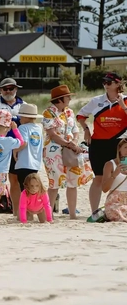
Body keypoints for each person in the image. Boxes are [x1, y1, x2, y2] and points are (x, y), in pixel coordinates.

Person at [78, 72, 127, 216]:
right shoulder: (96, 101)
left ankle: (119, 207)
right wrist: (86, 130)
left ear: (118, 84)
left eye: (109, 82)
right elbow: (81, 115)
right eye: (104, 82)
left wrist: (122, 106)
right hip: (98, 143)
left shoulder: (125, 100)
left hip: (119, 144)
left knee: (122, 174)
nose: (106, 85)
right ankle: (94, 212)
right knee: (98, 177)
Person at [43, 85, 92, 219]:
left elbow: (75, 130)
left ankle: (72, 214)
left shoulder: (69, 112)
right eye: (68, 96)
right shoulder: (49, 113)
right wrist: (69, 144)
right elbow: (52, 134)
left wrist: (74, 142)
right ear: (60, 99)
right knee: (54, 183)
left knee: (73, 182)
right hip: (54, 152)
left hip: (71, 150)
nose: (70, 98)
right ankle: (48, 215)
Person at [0, 77, 26, 212]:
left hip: (17, 146)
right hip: (0, 147)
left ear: (16, 89)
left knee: (15, 178)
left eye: (11, 88)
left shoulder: (24, 105)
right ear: (0, 90)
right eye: (5, 89)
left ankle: (17, 210)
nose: (8, 91)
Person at [99, 137, 127, 222]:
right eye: (126, 147)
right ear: (119, 149)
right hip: (115, 202)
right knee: (117, 211)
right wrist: (114, 174)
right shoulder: (110, 164)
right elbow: (104, 189)